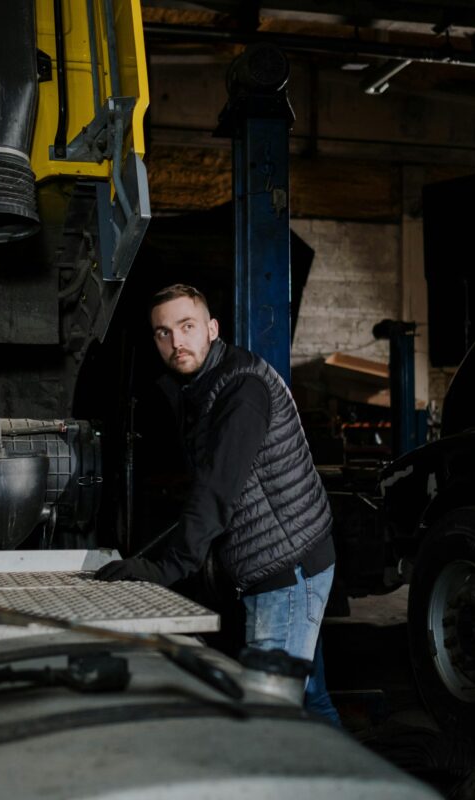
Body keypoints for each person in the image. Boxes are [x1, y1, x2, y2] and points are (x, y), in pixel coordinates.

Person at [95, 284, 340, 723]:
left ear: (211, 328)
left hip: (285, 573)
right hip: (293, 561)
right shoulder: (206, 385)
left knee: (269, 714)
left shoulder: (240, 391)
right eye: (163, 333)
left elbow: (215, 494)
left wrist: (162, 570)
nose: (176, 342)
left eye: (187, 327)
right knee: (311, 701)